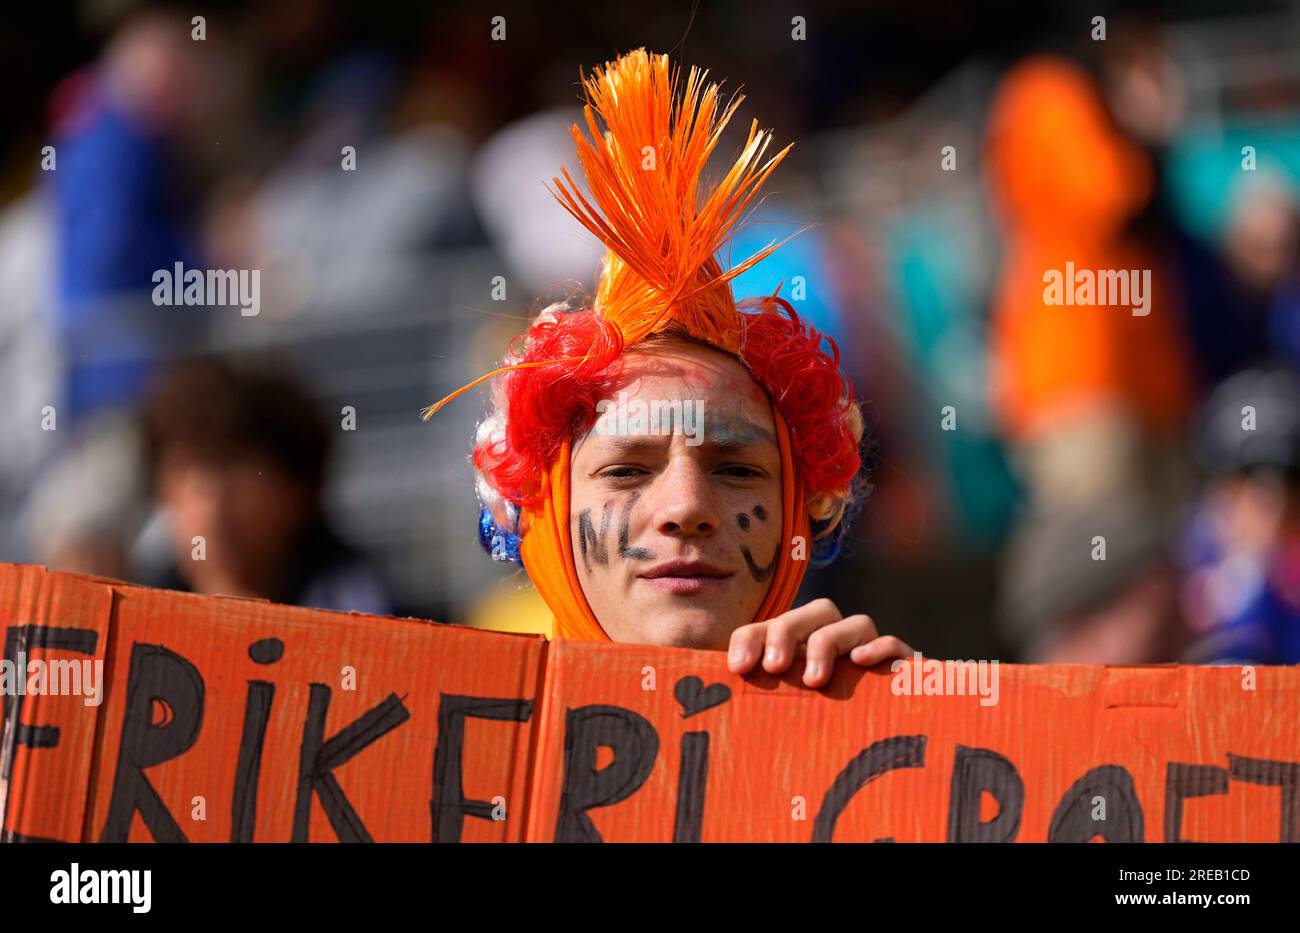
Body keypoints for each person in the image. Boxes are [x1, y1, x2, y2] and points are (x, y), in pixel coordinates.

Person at [428, 49, 912, 688]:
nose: (687, 508)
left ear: (802, 504)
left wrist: (909, 743)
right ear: (540, 508)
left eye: (737, 469)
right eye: (627, 469)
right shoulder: (453, 758)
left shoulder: (891, 738)